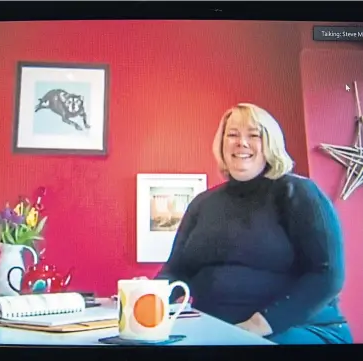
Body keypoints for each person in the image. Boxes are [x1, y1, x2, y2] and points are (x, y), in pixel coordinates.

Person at [142, 103, 353, 344]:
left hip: (301, 329)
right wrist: (148, 295)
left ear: (270, 144)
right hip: (219, 330)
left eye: (254, 135)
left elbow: (328, 274)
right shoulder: (202, 203)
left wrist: (256, 325)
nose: (241, 142)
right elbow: (177, 270)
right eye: (232, 134)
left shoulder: (299, 192)